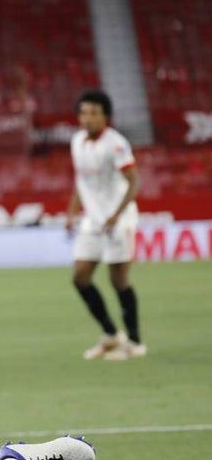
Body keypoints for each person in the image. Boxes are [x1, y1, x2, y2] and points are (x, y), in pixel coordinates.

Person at [66, 90, 146, 360]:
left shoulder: (116, 144)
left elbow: (134, 181)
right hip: (93, 219)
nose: (87, 118)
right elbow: (82, 180)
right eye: (83, 113)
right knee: (80, 277)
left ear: (106, 117)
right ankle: (111, 334)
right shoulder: (77, 141)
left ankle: (135, 342)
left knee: (118, 279)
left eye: (94, 113)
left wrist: (117, 214)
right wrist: (72, 212)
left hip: (118, 219)